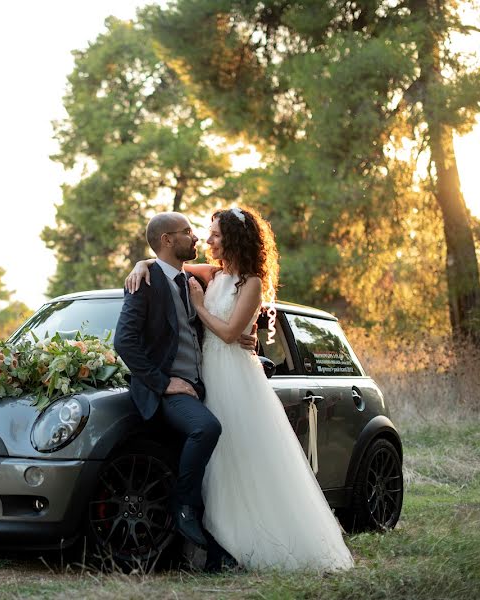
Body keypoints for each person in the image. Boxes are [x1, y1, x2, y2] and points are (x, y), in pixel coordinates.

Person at [125, 207, 354, 572]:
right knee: (218, 464)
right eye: (206, 233)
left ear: (232, 238)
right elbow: (167, 266)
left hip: (233, 376)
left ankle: (252, 543)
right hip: (205, 378)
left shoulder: (251, 283)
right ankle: (214, 546)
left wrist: (199, 306)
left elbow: (231, 333)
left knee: (240, 459)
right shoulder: (213, 274)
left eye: (214, 234)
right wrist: (139, 264)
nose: (208, 239)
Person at [113, 211, 257, 553]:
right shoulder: (145, 282)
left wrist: (249, 336)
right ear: (167, 240)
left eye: (204, 233)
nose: (198, 239)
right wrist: (163, 383)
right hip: (170, 389)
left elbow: (230, 316)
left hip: (206, 384)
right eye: (188, 232)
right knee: (206, 428)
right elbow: (124, 342)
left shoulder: (196, 280)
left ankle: (217, 548)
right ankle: (184, 507)